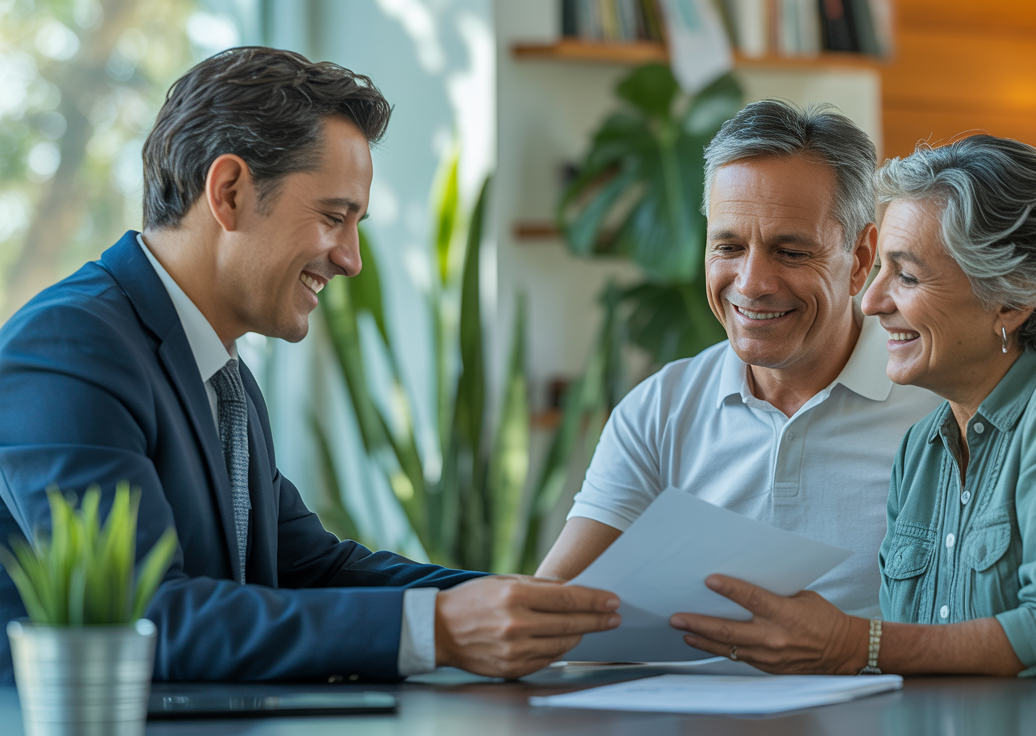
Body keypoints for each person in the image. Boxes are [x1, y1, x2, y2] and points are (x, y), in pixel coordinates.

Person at [0, 47, 620, 684]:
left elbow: (317, 569)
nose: (351, 259)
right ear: (230, 192)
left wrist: (544, 606)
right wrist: (439, 629)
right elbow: (138, 619)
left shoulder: (222, 375)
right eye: (333, 217)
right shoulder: (67, 347)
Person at [537, 100, 1036, 619]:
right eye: (727, 246)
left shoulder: (948, 377)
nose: (750, 283)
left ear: (860, 257)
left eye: (790, 251)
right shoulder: (662, 407)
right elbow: (553, 595)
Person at [669, 134, 1036, 687]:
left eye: (907, 276)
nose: (871, 301)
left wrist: (852, 644)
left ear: (1011, 297)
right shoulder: (922, 447)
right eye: (880, 268)